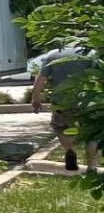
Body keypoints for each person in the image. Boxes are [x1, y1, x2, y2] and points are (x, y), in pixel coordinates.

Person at [30, 43, 100, 173]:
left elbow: (41, 79)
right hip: (87, 101)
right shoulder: (91, 54)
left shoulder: (52, 55)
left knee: (61, 127)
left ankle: (70, 151)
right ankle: (92, 166)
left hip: (62, 102)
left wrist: (36, 98)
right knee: (92, 134)